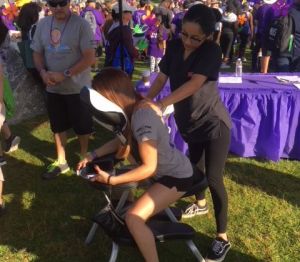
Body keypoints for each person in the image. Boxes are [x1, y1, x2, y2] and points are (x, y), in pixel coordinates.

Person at [77, 68, 194, 262]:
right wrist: (92, 154)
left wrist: (112, 180)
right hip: (161, 173)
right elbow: (125, 139)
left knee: (133, 218)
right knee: (125, 196)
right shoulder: (132, 109)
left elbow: (148, 167)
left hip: (176, 177)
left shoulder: (141, 117)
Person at [146, 4, 232, 261]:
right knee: (194, 170)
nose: (188, 41)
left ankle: (222, 236)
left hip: (214, 125)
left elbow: (195, 84)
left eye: (196, 38)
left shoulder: (212, 51)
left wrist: (161, 104)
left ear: (207, 36)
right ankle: (200, 204)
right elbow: (161, 77)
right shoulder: (174, 46)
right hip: (189, 123)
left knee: (214, 177)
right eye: (184, 34)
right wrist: (146, 100)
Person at [31, 0, 95, 179]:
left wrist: (65, 74)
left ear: (70, 3)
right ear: (48, 5)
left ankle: (84, 158)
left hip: (78, 88)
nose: (58, 7)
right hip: (54, 89)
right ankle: (61, 161)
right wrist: (43, 72)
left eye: (62, 3)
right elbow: (36, 52)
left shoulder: (81, 25)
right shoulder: (43, 24)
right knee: (57, 126)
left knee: (82, 127)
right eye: (53, 3)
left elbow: (90, 57)